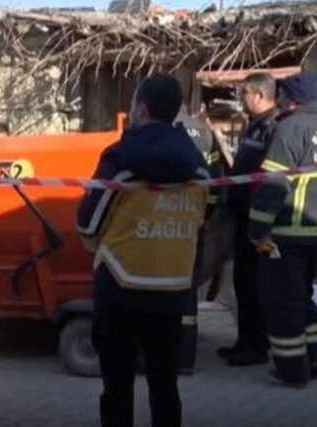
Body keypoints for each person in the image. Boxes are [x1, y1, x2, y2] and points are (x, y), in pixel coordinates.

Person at [77, 74, 210, 427]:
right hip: (172, 291)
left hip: (119, 289)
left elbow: (88, 226)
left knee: (117, 388)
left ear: (142, 108)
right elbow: (201, 219)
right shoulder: (198, 166)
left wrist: (101, 247)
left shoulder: (120, 159)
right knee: (165, 386)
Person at [249, 71, 317, 387]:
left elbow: (273, 184)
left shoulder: (290, 128)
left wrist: (257, 228)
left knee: (284, 301)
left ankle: (292, 370)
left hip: (289, 234)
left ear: (293, 99)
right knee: (307, 300)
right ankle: (314, 360)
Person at [217, 72, 278, 366]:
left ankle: (257, 346)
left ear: (260, 95)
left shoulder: (273, 127)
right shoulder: (254, 126)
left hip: (261, 220)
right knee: (243, 281)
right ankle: (245, 341)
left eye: (244, 94)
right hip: (244, 216)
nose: (242, 99)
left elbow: (269, 176)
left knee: (255, 282)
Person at [174, 104, 222, 375]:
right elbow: (215, 180)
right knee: (188, 293)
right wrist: (205, 215)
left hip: (161, 226)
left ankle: (160, 357)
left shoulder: (158, 129)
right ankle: (185, 360)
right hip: (195, 225)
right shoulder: (204, 131)